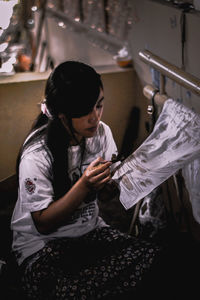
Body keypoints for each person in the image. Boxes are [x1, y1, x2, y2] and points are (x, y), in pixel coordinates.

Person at [11, 61, 161, 300]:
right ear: (62, 114)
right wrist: (84, 185)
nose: (95, 117)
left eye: (99, 105)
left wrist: (113, 185)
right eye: (84, 110)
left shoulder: (101, 134)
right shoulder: (37, 155)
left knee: (151, 257)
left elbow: (103, 197)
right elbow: (43, 224)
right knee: (73, 290)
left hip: (89, 233)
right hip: (42, 247)